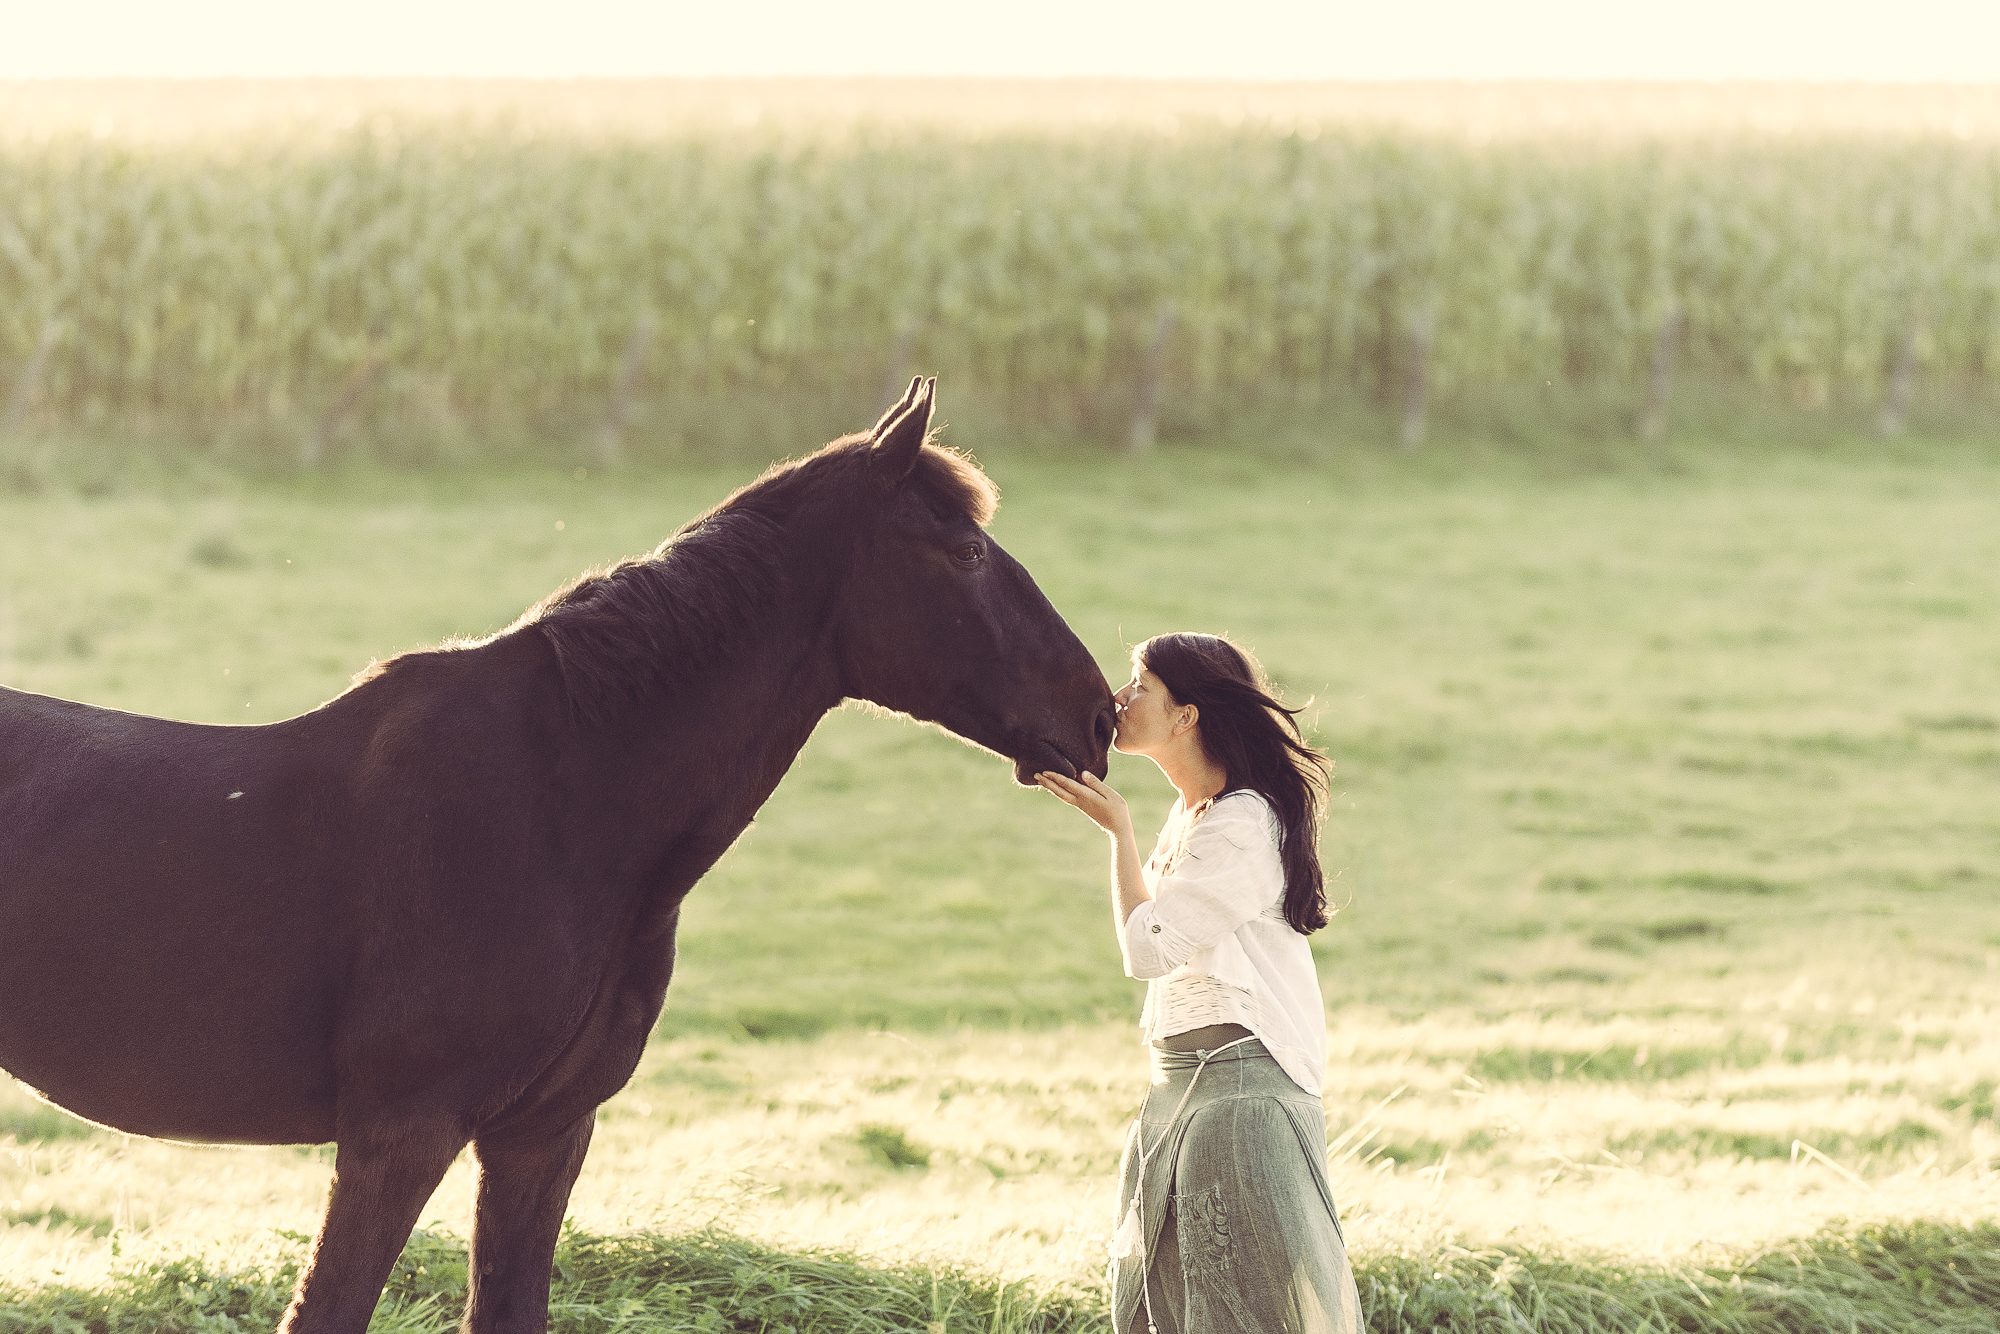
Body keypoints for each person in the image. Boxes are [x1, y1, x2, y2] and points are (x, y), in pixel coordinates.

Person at [1037, 632, 1361, 1334]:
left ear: (1186, 715)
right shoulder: (1193, 817)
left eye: (1139, 684)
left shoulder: (1242, 823)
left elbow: (1148, 949)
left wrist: (1117, 833)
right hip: (1179, 1091)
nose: (1119, 699)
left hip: (1238, 1098)